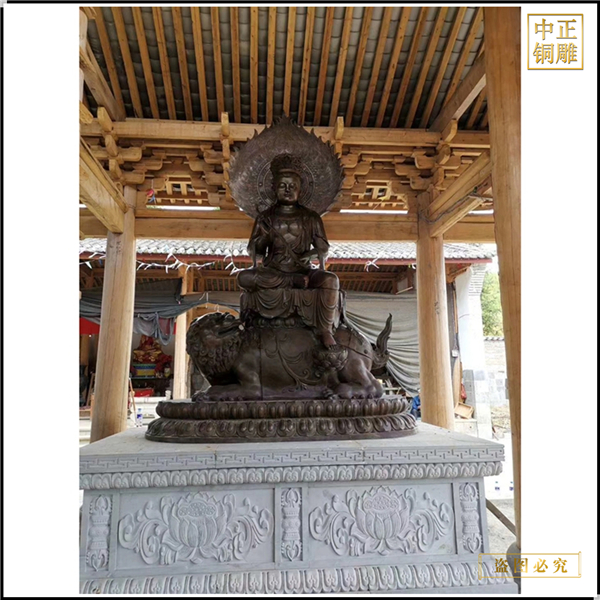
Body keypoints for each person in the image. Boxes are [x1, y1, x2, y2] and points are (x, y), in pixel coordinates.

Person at [237, 154, 340, 347]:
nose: (287, 190)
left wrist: (310, 254)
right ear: (273, 188)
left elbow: (323, 248)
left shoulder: (311, 217)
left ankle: (325, 329)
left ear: (301, 189)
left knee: (331, 280)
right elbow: (255, 252)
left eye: (293, 186)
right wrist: (263, 236)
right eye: (282, 185)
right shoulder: (265, 218)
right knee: (244, 277)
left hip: (304, 271)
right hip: (274, 271)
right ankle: (293, 281)